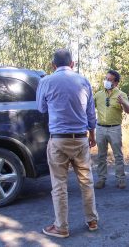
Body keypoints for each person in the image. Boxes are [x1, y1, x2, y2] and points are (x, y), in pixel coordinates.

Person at [37, 49, 99, 238]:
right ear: (72, 64)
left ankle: (61, 227)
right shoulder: (83, 81)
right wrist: (92, 134)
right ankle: (92, 220)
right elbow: (91, 114)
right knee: (86, 181)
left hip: (58, 140)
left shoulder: (45, 81)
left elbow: (41, 108)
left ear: (53, 65)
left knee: (59, 185)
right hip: (81, 138)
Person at [94, 70, 129, 189]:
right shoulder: (98, 94)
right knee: (101, 155)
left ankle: (120, 179)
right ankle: (101, 178)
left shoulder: (121, 94)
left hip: (114, 128)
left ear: (116, 83)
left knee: (118, 155)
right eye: (106, 78)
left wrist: (123, 103)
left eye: (110, 80)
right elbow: (89, 108)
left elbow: (128, 110)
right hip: (100, 128)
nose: (106, 81)